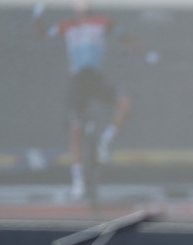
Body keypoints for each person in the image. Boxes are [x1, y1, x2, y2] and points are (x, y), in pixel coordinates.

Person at [34, 1, 142, 200]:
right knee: (75, 129)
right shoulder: (67, 25)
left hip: (96, 78)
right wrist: (37, 13)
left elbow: (125, 37)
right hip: (77, 81)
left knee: (125, 102)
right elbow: (43, 34)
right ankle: (78, 182)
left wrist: (144, 53)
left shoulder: (103, 21)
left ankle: (105, 141)